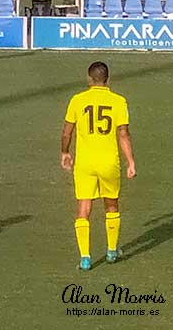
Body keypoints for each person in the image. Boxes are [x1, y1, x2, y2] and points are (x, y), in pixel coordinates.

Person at [61, 61, 136, 271]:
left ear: (89, 79)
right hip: (108, 161)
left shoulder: (78, 100)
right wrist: (130, 162)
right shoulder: (118, 101)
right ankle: (112, 251)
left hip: (85, 163)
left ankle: (85, 258)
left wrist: (65, 152)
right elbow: (123, 134)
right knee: (111, 204)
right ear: (108, 79)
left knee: (83, 208)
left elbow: (67, 131)